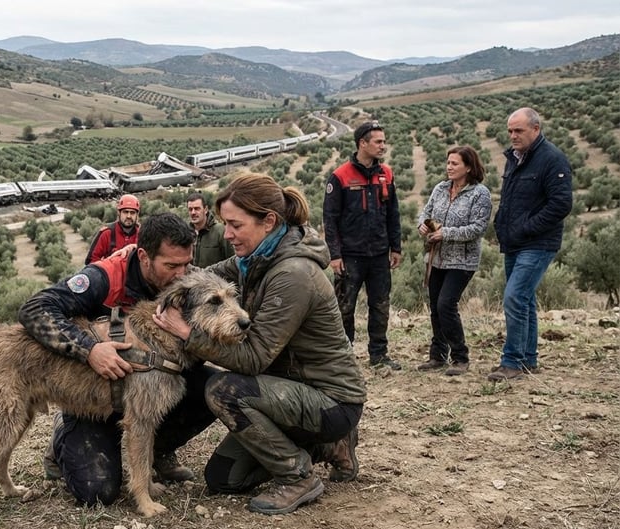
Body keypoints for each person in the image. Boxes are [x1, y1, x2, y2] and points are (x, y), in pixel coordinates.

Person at [153, 173, 366, 515]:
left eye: (235, 225)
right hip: (285, 391)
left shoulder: (292, 274)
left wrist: (188, 334)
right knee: (223, 479)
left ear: (268, 222)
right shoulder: (253, 260)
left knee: (222, 389)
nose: (227, 234)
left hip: (330, 399)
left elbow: (253, 358)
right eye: (225, 224)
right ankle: (327, 446)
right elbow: (200, 277)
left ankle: (299, 476)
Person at [19, 212, 218, 507]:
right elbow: (34, 309)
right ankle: (63, 435)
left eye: (187, 264)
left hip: (149, 389)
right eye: (172, 265)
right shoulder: (104, 277)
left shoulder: (187, 279)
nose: (182, 274)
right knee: (97, 492)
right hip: (91, 396)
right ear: (144, 256)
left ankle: (156, 451)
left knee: (211, 387)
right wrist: (90, 349)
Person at [489, 107, 573, 381]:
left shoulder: (552, 159)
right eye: (510, 131)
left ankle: (511, 361)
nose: (513, 136)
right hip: (514, 242)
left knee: (514, 297)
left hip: (537, 243)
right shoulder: (515, 158)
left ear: (536, 129)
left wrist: (526, 228)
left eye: (519, 130)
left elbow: (561, 204)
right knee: (524, 300)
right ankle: (528, 359)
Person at [323, 120, 403, 370]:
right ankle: (344, 358)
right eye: (378, 141)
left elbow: (394, 214)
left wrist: (396, 247)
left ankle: (379, 355)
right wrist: (335, 255)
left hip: (379, 254)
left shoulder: (386, 174)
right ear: (362, 143)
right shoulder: (339, 176)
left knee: (380, 305)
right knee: (344, 308)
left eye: (383, 141)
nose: (383, 146)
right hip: (350, 257)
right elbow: (330, 219)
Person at [416, 146, 493, 376]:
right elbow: (426, 212)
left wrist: (446, 233)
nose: (449, 167)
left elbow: (478, 228)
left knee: (446, 304)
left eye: (455, 163)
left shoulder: (480, 194)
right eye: (448, 162)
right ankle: (438, 356)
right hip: (436, 258)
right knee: (435, 308)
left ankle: (460, 357)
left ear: (468, 167)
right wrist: (423, 224)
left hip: (462, 261)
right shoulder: (440, 188)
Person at [84, 194, 140, 264]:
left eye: (132, 213)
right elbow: (92, 260)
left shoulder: (142, 234)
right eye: (125, 212)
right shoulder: (107, 233)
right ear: (119, 213)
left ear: (137, 215)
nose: (129, 216)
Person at [186, 191, 233, 267]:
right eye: (190, 209)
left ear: (206, 209)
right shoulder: (186, 233)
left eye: (197, 209)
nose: (193, 212)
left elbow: (232, 261)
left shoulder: (220, 231)